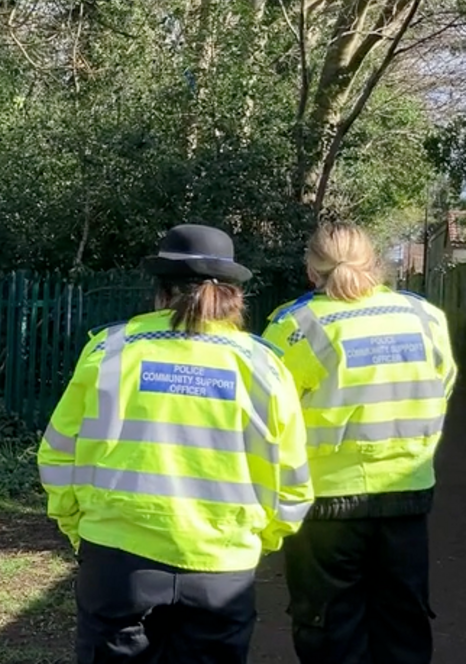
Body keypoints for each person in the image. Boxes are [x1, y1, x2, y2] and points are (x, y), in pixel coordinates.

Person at [38, 223, 314, 664]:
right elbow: (293, 480)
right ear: (233, 296)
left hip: (115, 560)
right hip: (222, 567)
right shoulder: (264, 366)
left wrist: (82, 530)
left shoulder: (109, 352)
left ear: (160, 291)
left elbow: (57, 454)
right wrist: (257, 540)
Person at [262, 221, 457, 664]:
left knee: (330, 628)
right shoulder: (425, 318)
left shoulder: (295, 325)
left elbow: (270, 416)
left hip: (326, 503)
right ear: (375, 264)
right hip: (407, 495)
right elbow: (442, 385)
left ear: (312, 271)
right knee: (403, 622)